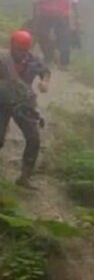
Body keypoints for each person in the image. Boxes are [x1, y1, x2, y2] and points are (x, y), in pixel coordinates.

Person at [0, 31, 50, 189]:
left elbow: (45, 71)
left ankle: (25, 176)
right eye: (18, 49)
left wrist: (45, 82)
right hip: (2, 102)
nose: (21, 53)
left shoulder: (33, 60)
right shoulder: (3, 60)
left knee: (33, 138)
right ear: (12, 46)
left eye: (24, 49)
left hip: (23, 103)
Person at [31, 0, 80, 70]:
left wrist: (77, 20)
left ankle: (64, 63)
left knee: (64, 39)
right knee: (42, 36)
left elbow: (74, 3)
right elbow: (35, 5)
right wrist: (35, 22)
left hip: (62, 17)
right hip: (45, 17)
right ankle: (48, 57)